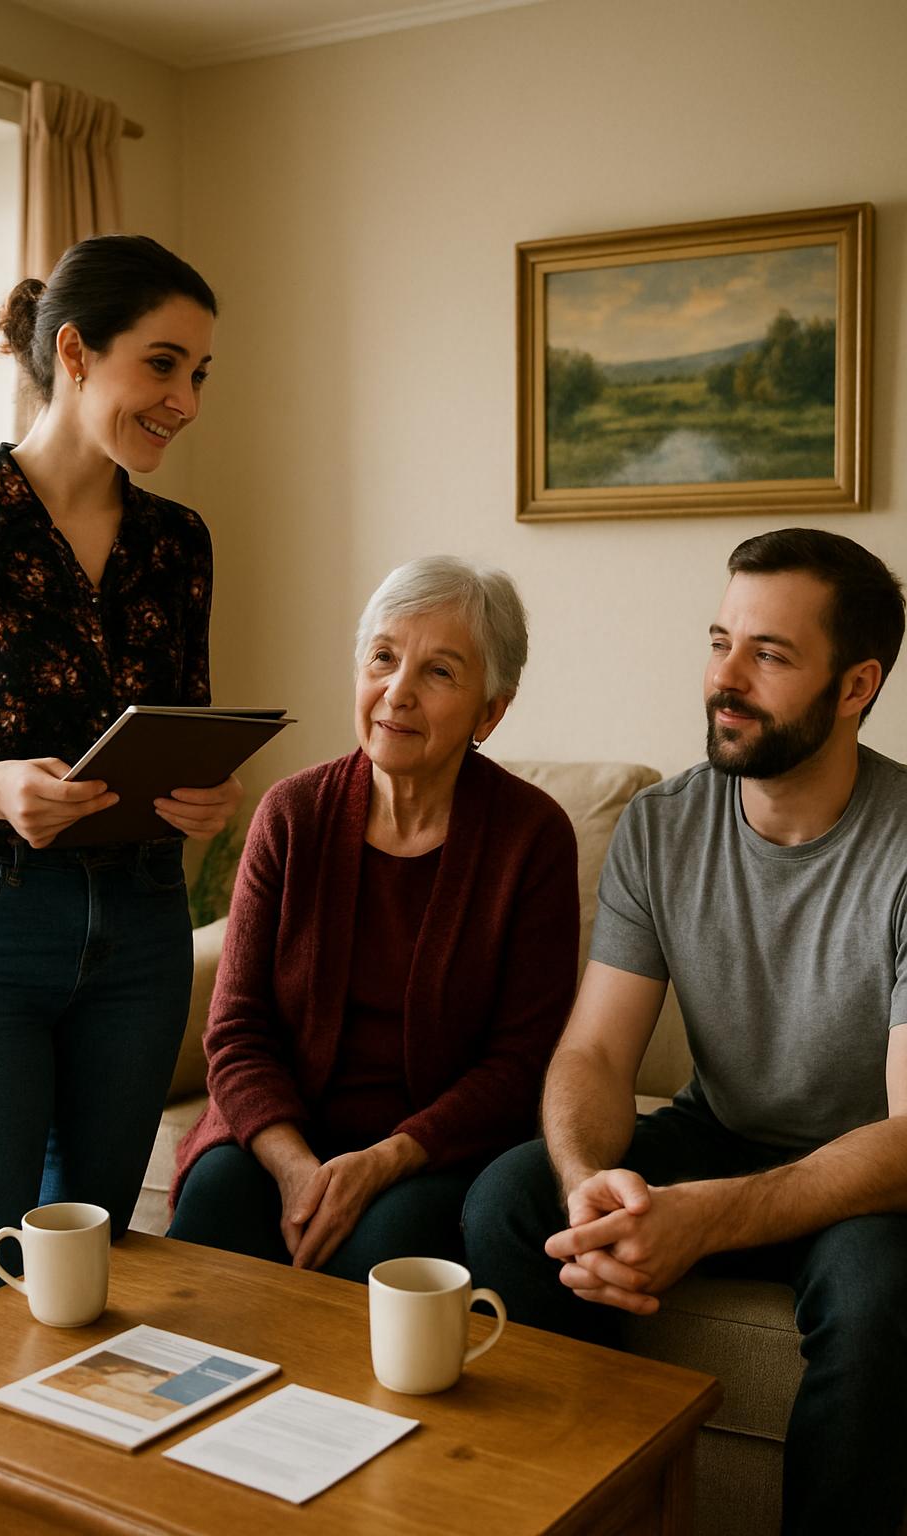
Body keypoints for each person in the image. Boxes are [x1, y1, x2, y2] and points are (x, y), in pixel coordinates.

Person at [463, 527, 907, 1536]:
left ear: (854, 685)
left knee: (879, 1298)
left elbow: (905, 1135)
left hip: (864, 1173)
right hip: (720, 1129)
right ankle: (588, 1511)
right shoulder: (662, 826)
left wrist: (704, 1218)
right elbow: (595, 1053)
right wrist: (588, 1186)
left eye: (769, 654)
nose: (726, 679)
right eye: (719, 642)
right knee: (512, 1199)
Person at [0, 234, 241, 1320]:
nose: (184, 400)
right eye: (164, 365)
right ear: (76, 352)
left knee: (90, 1275)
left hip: (138, 930)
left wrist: (206, 797)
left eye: (199, 375)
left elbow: (179, 722)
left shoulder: (179, 544)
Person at [169, 555, 579, 1282]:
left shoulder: (532, 837)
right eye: (383, 658)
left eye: (440, 672)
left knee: (382, 1249)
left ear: (491, 710)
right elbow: (235, 1031)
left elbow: (520, 1063)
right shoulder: (291, 814)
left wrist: (386, 1159)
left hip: (434, 1151)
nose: (398, 692)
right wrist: (297, 1167)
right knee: (215, 1204)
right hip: (283, 1133)